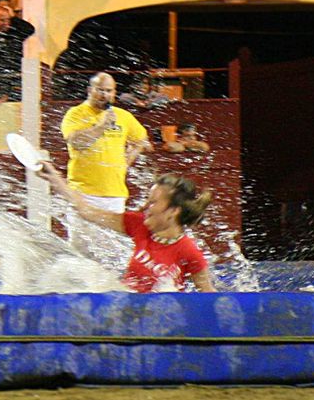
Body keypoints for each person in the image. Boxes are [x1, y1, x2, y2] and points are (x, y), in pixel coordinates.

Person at [39, 160, 216, 292]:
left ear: (173, 212)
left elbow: (208, 297)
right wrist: (56, 180)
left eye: (153, 202)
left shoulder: (190, 252)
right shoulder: (138, 225)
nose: (145, 207)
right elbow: (87, 211)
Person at [60, 72, 150, 255]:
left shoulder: (122, 116)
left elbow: (142, 141)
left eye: (109, 91)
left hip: (114, 196)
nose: (104, 95)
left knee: (111, 253)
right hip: (83, 193)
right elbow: (76, 142)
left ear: (114, 92)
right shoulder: (75, 114)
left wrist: (127, 160)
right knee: (81, 251)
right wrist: (101, 127)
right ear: (89, 90)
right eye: (100, 90)